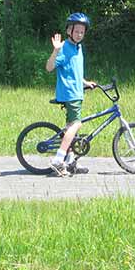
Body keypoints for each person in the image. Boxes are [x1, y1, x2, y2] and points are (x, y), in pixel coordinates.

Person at [45, 12, 97, 177]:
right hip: (69, 94)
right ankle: (58, 160)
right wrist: (55, 50)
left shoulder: (78, 47)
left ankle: (70, 162)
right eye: (77, 31)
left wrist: (85, 82)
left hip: (76, 91)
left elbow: (73, 71)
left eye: (82, 32)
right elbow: (49, 67)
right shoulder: (65, 48)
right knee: (76, 125)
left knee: (70, 128)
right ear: (69, 31)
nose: (80, 34)